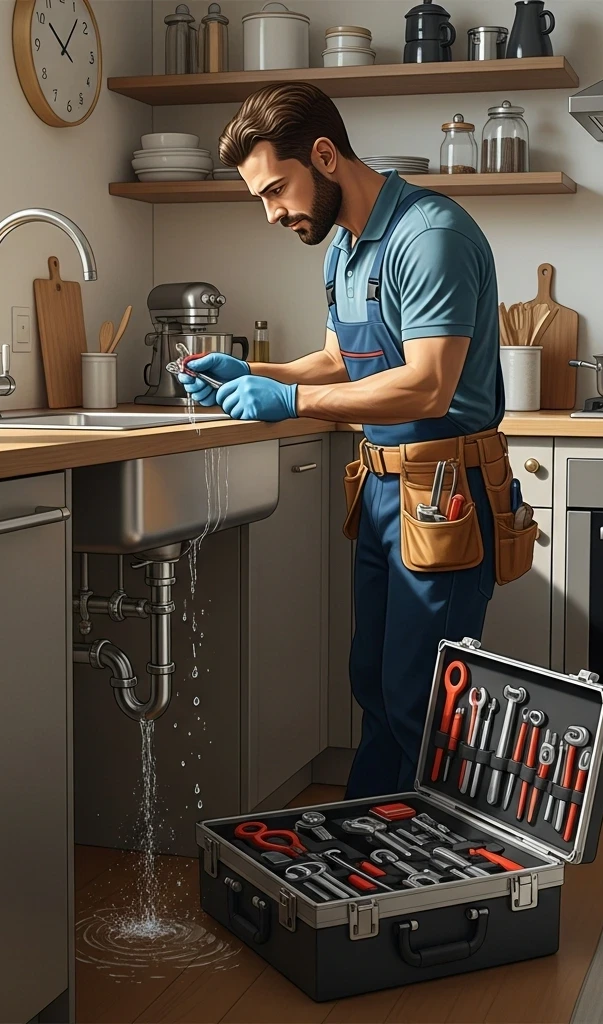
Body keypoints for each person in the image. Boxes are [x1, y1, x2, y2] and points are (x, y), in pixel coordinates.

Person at [178, 83, 506, 799]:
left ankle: (437, 879)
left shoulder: (430, 237)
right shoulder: (345, 253)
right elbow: (337, 361)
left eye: (276, 190)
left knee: (424, 696)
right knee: (375, 682)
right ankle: (370, 846)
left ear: (324, 155)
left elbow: (427, 386)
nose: (272, 214)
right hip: (382, 490)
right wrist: (254, 370)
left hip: (444, 495)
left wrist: (288, 400)